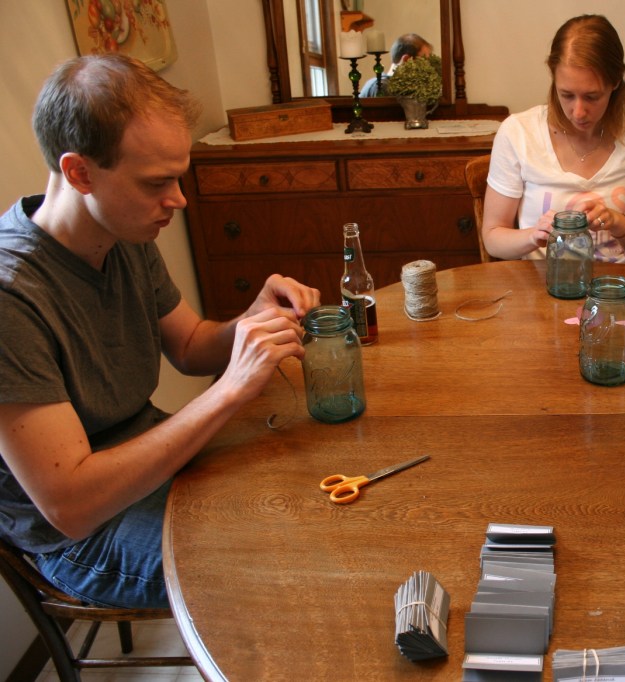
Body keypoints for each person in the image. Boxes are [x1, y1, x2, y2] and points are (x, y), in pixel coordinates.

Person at [0, 54, 320, 609]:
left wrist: (250, 320)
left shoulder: (124, 232)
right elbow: (71, 502)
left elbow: (193, 347)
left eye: (179, 175)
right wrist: (229, 390)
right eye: (157, 182)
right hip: (82, 532)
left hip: (149, 459)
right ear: (79, 172)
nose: (178, 199)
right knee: (281, 569)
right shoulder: (11, 296)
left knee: (314, 488)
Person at [481, 14, 625, 262]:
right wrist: (534, 235)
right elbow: (492, 238)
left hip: (611, 289)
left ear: (616, 81)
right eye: (566, 95)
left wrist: (617, 222)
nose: (578, 112)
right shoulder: (518, 132)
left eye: (592, 96)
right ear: (553, 78)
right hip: (543, 286)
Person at [358, 33, 433, 98]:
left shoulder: (402, 87)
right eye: (424, 61)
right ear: (407, 60)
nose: (427, 67)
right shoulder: (381, 87)